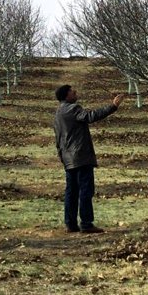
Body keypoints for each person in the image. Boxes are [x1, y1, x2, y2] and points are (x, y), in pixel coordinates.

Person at [53, 84, 126, 234]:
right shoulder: (73, 109)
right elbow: (90, 116)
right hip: (81, 157)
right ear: (66, 95)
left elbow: (58, 139)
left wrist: (62, 156)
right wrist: (113, 106)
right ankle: (86, 223)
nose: (75, 92)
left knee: (71, 191)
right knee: (85, 190)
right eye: (72, 91)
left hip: (68, 158)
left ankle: (70, 224)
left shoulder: (58, 113)